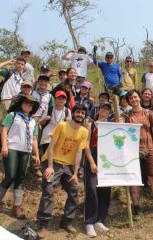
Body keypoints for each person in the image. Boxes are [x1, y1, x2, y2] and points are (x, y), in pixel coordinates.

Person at [36, 104, 89, 237]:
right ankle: (43, 224)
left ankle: (66, 222)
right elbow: (51, 147)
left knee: (74, 191)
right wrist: (49, 166)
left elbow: (79, 153)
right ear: (74, 113)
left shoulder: (84, 131)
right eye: (78, 112)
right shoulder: (62, 125)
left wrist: (76, 173)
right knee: (48, 189)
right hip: (53, 162)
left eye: (82, 113)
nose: (80, 115)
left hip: (69, 167)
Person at [121, 90, 153, 220]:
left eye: (135, 97)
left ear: (139, 98)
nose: (134, 99)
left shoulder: (149, 114)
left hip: (150, 150)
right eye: (131, 98)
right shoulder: (126, 115)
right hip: (132, 151)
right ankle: (137, 209)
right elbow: (119, 128)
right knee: (134, 180)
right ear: (128, 101)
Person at [0, 94, 40, 219]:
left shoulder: (33, 121)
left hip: (26, 151)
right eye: (26, 102)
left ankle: (16, 207)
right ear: (21, 103)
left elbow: (34, 139)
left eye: (31, 104)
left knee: (21, 177)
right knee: (10, 175)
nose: (28, 105)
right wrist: (4, 146)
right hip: (12, 148)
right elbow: (4, 130)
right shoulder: (12, 115)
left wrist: (37, 154)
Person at [84, 102, 113, 237]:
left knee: (105, 191)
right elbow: (86, 145)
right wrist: (91, 162)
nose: (105, 111)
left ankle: (100, 220)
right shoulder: (91, 124)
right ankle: (89, 222)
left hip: (106, 159)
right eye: (103, 108)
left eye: (107, 109)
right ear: (98, 109)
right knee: (91, 190)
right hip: (93, 157)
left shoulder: (111, 126)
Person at [39, 90, 72, 156]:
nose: (61, 100)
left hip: (61, 136)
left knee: (57, 156)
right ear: (55, 99)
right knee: (46, 155)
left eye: (63, 98)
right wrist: (45, 119)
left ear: (65, 100)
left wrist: (68, 122)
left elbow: (70, 127)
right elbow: (40, 123)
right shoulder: (49, 109)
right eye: (59, 98)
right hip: (48, 136)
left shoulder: (67, 111)